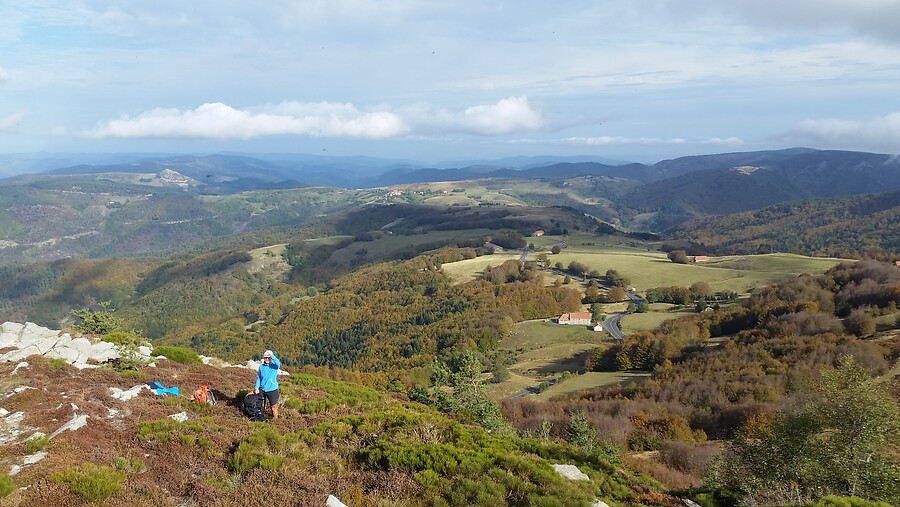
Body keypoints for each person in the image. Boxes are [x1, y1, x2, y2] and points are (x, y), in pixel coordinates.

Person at [254, 349, 281, 419]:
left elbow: (278, 363)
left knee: (273, 407)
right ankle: (259, 418)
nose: (267, 359)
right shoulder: (261, 367)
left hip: (272, 390)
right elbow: (259, 377)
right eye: (265, 357)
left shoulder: (274, 366)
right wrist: (256, 387)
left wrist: (271, 355)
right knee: (258, 405)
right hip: (262, 389)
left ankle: (276, 420)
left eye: (268, 357)